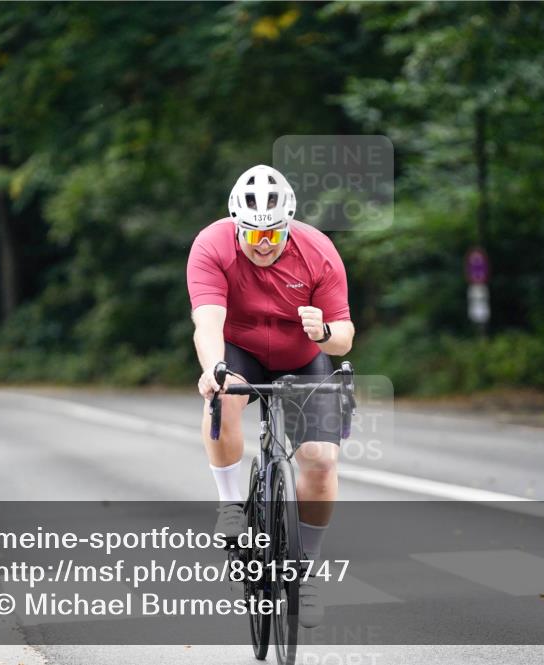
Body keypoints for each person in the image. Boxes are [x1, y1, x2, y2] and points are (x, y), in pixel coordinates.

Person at [186, 164, 355, 628]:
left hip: (303, 356)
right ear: (237, 225)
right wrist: (212, 371)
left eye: (274, 236)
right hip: (239, 349)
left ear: (289, 227)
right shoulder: (212, 245)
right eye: (253, 235)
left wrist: (323, 333)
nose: (263, 245)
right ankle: (229, 505)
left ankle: (308, 567)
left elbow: (344, 336)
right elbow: (208, 322)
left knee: (320, 459)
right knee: (223, 396)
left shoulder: (319, 251)